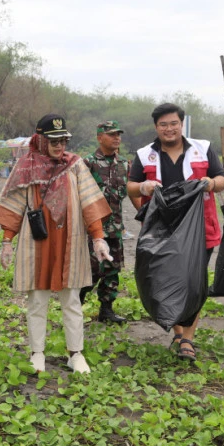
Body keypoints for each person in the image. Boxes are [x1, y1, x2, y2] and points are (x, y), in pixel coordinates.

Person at [0, 114, 112, 374]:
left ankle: (75, 354)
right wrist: (6, 242)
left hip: (71, 240)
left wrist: (98, 238)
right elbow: (13, 207)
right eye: (53, 140)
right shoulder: (25, 166)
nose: (60, 146)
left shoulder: (75, 165)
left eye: (63, 140)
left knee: (72, 299)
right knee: (37, 300)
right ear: (40, 139)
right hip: (37, 243)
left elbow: (90, 204)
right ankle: (37, 353)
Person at [126, 102, 224, 361]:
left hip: (200, 230)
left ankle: (188, 339)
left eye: (173, 123)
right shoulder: (144, 154)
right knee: (166, 281)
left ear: (181, 124)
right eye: (163, 125)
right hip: (162, 233)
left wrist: (210, 183)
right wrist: (144, 191)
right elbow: (131, 187)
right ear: (156, 127)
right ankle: (177, 329)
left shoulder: (202, 149)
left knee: (194, 284)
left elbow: (222, 180)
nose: (169, 129)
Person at [80, 121, 136, 323]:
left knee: (112, 272)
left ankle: (106, 311)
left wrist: (143, 214)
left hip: (115, 229)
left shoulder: (124, 164)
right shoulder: (87, 163)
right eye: (111, 134)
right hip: (93, 230)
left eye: (118, 134)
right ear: (99, 137)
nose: (117, 138)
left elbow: (130, 192)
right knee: (90, 272)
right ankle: (75, 310)